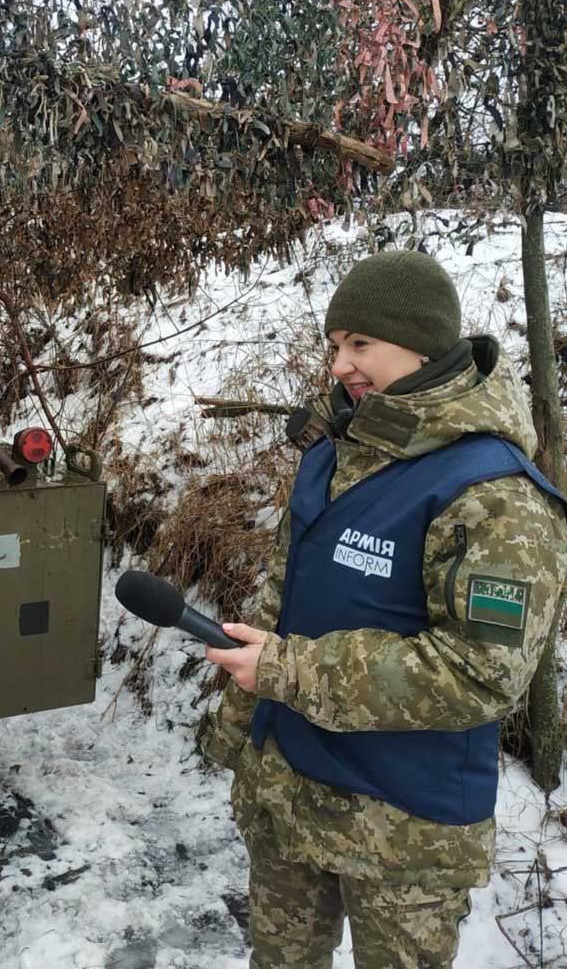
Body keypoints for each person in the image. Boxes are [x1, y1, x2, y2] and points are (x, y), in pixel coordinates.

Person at [203, 251, 567, 969]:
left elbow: (480, 673)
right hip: (291, 794)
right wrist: (238, 729)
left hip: (404, 831)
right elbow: (283, 601)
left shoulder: (493, 493)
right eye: (335, 344)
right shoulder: (335, 453)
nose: (340, 364)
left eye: (360, 343)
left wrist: (289, 671)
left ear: (421, 343)